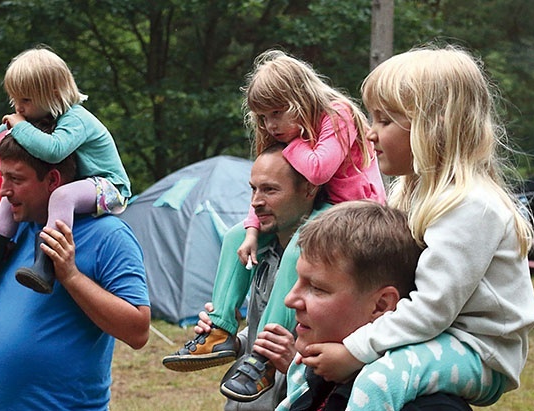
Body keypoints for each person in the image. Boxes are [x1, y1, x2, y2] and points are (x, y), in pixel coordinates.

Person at [296, 45, 534, 410]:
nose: (371, 134)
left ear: (433, 126)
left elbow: (431, 309)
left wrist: (354, 350)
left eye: (385, 120)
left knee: (381, 378)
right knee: (308, 369)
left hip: (479, 350)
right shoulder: (411, 194)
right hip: (435, 334)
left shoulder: (471, 205)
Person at [163, 49, 386, 403]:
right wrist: (252, 230)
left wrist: (289, 143)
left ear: (301, 98)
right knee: (237, 233)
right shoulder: (293, 133)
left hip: (354, 214)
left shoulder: (337, 115)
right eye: (263, 118)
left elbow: (317, 170)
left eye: (277, 113)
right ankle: (220, 329)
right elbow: (273, 192)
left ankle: (265, 353)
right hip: (323, 207)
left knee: (302, 241)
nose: (270, 126)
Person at [0, 134, 150, 410]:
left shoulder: (109, 235)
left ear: (53, 181)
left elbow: (138, 331)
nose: (3, 191)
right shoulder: (22, 226)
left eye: (16, 180)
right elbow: (4, 301)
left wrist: (70, 276)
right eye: (2, 177)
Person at [0, 45, 131, 294]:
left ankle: (45, 265)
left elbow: (54, 150)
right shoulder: (35, 116)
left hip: (110, 188)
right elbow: (4, 131)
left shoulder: (77, 119)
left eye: (25, 100)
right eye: (14, 99)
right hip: (83, 184)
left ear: (52, 93)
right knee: (9, 196)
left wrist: (18, 125)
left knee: (62, 196)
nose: (18, 108)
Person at [164, 143, 330, 409]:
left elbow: (355, 361)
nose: (256, 201)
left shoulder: (333, 271)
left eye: (270, 190)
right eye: (253, 188)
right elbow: (258, 327)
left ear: (310, 189)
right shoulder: (261, 252)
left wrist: (294, 362)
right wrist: (236, 340)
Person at [276, 200, 471, 411]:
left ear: (380, 305)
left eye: (317, 288)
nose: (290, 299)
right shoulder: (314, 380)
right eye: (298, 280)